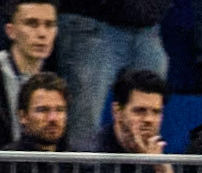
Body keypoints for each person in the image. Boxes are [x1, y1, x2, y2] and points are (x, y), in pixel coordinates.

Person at [54, 0, 169, 151]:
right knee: (85, 123)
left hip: (147, 25)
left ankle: (148, 164)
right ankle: (80, 166)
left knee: (149, 112)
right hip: (92, 20)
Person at [0, 1, 56, 152]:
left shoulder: (55, 82)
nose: (42, 34)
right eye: (32, 24)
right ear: (10, 31)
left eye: (49, 25)